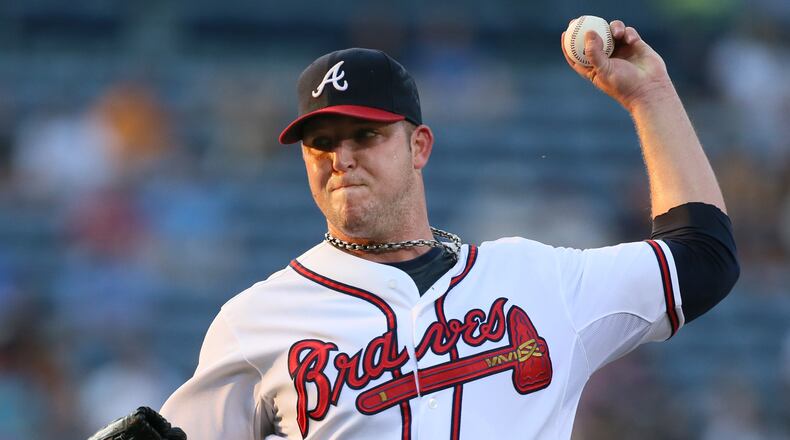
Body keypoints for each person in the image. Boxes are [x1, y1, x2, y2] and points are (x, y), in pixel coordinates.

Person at [89, 19, 739, 440]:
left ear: (419, 145)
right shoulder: (255, 321)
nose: (341, 156)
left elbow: (704, 257)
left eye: (365, 135)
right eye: (321, 142)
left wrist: (649, 98)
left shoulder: (538, 280)